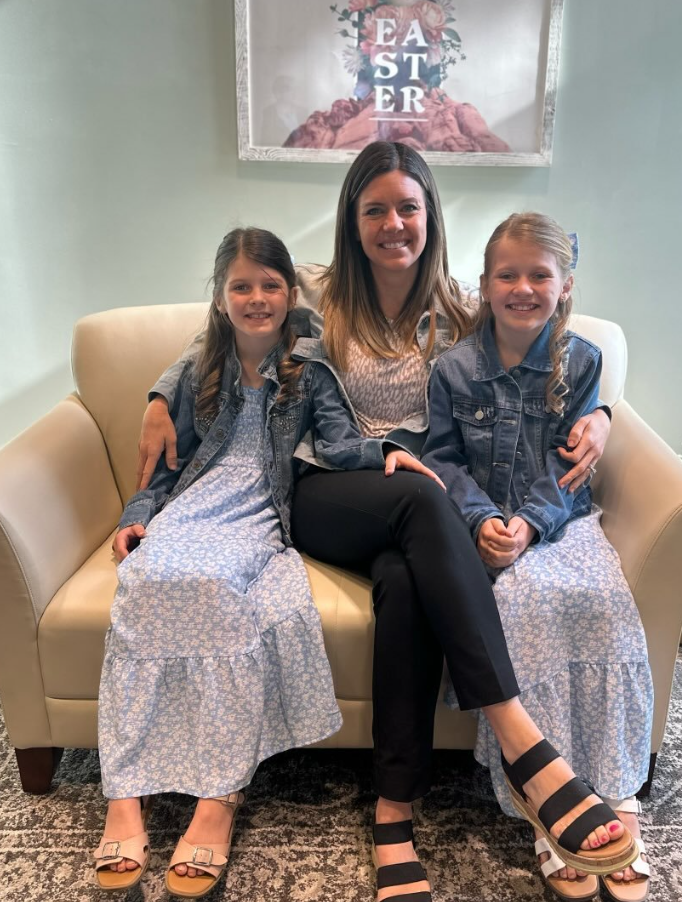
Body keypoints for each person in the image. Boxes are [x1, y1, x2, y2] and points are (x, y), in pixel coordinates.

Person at [136, 143, 633, 902]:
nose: (392, 224)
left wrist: (600, 412)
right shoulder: (319, 297)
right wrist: (155, 395)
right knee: (424, 497)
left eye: (407, 207)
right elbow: (226, 328)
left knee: (407, 574)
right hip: (329, 491)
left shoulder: (464, 308)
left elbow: (552, 350)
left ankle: (392, 812)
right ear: (353, 219)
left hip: (414, 510)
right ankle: (522, 739)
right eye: (374, 209)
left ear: (430, 216)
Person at [92, 226, 439, 898]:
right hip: (197, 502)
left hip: (259, 508)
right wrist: (137, 514)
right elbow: (167, 467)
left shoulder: (308, 369)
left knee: (216, 586)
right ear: (220, 299)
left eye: (269, 285)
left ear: (289, 292)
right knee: (145, 579)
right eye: (241, 287)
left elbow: (339, 446)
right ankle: (124, 794)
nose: (256, 298)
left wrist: (387, 453)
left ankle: (218, 794)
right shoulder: (198, 371)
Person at [422, 212, 654, 902]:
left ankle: (613, 789)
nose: (522, 288)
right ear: (483, 285)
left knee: (602, 606)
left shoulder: (580, 362)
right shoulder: (452, 369)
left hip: (559, 521)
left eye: (538, 275)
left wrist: (529, 520)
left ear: (564, 285)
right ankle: (545, 805)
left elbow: (572, 467)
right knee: (525, 609)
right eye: (507, 275)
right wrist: (484, 518)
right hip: (484, 526)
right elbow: (439, 458)